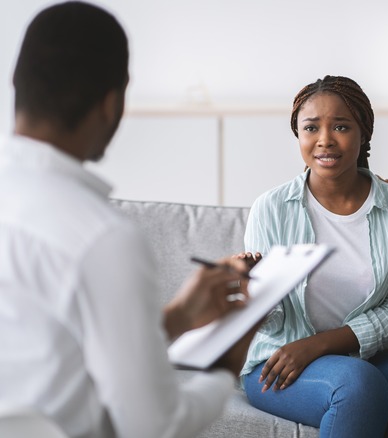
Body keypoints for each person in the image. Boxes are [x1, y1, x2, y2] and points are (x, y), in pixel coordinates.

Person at [0, 2, 257, 437]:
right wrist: (225, 368)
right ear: (111, 103)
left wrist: (176, 316)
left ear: (17, 84)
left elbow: (52, 351)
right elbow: (154, 427)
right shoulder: (102, 236)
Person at [238, 75, 388, 437]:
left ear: (363, 133)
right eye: (311, 128)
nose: (325, 139)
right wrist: (252, 290)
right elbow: (272, 321)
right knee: (357, 385)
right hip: (279, 358)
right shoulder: (271, 207)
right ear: (299, 135)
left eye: (341, 126)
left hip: (366, 356)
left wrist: (318, 345)